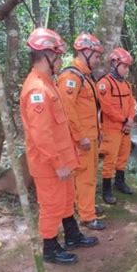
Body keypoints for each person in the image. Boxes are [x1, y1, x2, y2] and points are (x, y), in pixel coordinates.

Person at [20, 28, 98, 265]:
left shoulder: (48, 83)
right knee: (52, 206)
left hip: (63, 161)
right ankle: (50, 249)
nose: (61, 60)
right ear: (46, 55)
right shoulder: (37, 90)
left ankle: (72, 236)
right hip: (50, 164)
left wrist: (66, 159)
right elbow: (41, 134)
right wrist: (57, 162)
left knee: (66, 200)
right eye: (59, 55)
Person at [57, 33, 106, 230]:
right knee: (85, 176)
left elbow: (91, 108)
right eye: (95, 56)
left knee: (89, 174)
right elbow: (67, 110)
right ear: (85, 52)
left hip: (91, 135)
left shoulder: (85, 77)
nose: (97, 60)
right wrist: (80, 136)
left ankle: (85, 206)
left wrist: (99, 130)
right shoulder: (71, 77)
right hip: (82, 138)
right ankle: (87, 216)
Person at [97, 48, 136, 204]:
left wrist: (130, 119)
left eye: (128, 67)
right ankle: (106, 190)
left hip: (125, 127)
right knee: (110, 159)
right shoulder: (104, 83)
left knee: (123, 155)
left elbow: (131, 103)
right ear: (114, 64)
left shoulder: (126, 84)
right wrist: (124, 119)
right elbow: (106, 108)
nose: (126, 70)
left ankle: (120, 182)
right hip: (111, 128)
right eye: (124, 66)